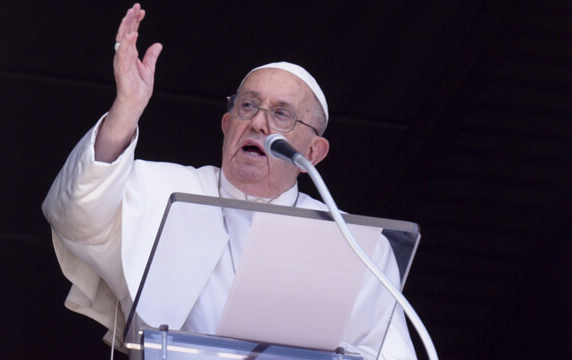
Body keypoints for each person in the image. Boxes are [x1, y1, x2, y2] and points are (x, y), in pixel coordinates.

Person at [42, 3, 416, 359]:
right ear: (227, 126)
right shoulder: (163, 190)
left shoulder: (353, 242)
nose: (258, 122)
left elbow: (389, 351)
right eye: (248, 106)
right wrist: (127, 108)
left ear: (314, 153)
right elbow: (76, 210)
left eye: (282, 114)